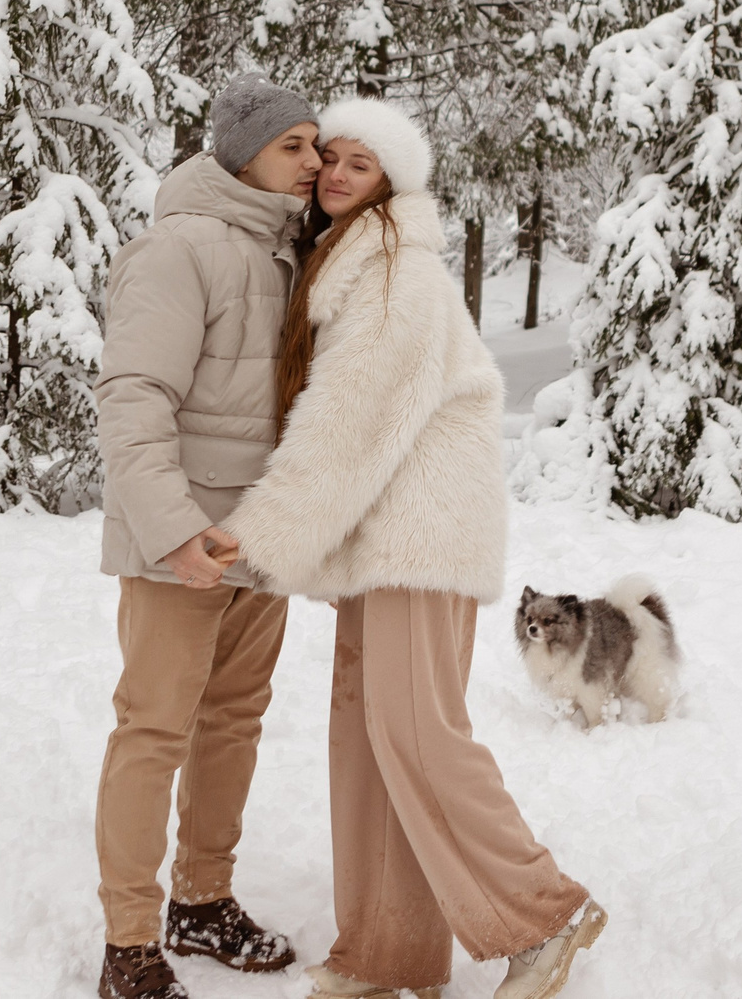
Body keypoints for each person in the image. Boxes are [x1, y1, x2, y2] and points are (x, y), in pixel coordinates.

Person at [226, 98, 606, 999]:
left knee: (415, 727)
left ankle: (545, 911)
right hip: (383, 538)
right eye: (331, 158)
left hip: (422, 534)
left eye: (361, 163)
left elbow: (351, 421)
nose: (336, 173)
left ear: (391, 182)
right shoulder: (344, 263)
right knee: (367, 735)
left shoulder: (397, 270)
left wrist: (263, 534)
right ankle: (387, 951)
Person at [90, 73, 323, 999]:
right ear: (242, 154)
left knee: (232, 721)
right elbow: (132, 396)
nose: (312, 162)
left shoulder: (288, 251)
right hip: (180, 543)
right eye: (293, 145)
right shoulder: (179, 248)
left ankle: (203, 899)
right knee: (154, 727)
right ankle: (129, 945)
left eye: (315, 144)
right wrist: (173, 531)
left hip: (259, 536)